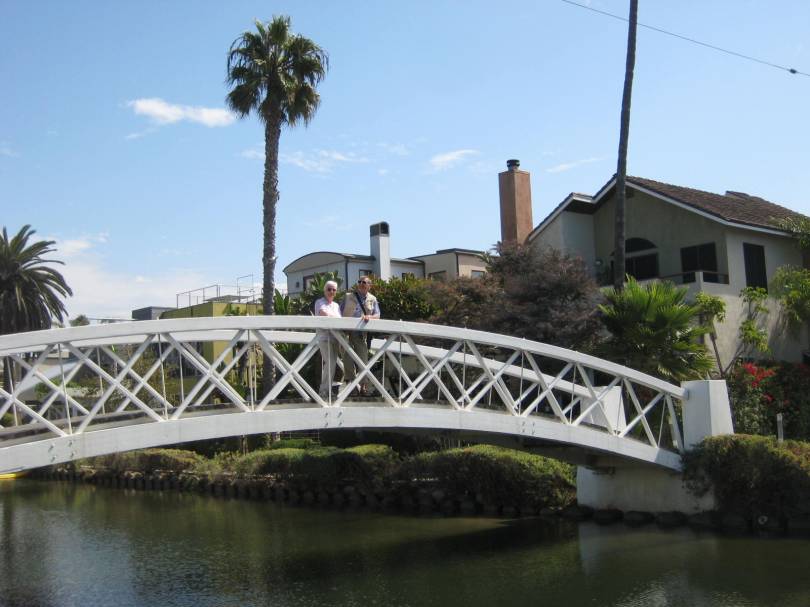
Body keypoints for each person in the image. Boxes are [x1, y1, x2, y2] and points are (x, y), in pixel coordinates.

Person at [340, 277, 381, 396]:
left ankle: (363, 386)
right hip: (346, 331)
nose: (361, 284)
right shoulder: (348, 296)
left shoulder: (372, 299)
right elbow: (340, 311)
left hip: (361, 333)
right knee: (347, 358)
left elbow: (378, 315)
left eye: (364, 282)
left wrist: (370, 317)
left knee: (363, 358)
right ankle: (352, 385)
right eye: (360, 282)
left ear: (369, 285)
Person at [314, 280, 341, 398]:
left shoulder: (336, 305)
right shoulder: (320, 302)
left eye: (334, 290)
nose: (331, 291)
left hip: (335, 338)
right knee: (329, 362)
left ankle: (328, 390)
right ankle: (324, 391)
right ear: (324, 290)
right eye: (329, 289)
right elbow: (323, 314)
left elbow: (339, 319)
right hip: (324, 337)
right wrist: (336, 319)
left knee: (333, 364)